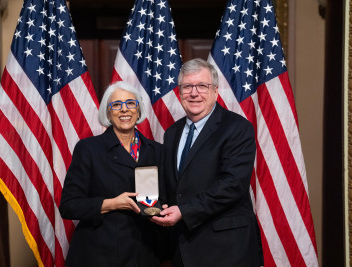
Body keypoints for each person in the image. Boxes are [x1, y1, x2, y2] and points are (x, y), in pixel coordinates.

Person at [151, 58, 264, 267]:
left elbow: (232, 185)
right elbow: (173, 187)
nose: (194, 93)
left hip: (227, 250)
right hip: (183, 249)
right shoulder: (172, 133)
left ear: (215, 91)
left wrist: (184, 211)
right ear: (179, 92)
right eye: (187, 87)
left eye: (202, 86)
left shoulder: (237, 128)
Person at [59, 81, 163, 267]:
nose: (125, 110)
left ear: (138, 110)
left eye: (131, 103)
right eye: (116, 105)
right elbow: (69, 206)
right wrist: (113, 203)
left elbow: (164, 199)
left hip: (145, 254)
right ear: (107, 113)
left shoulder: (158, 151)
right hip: (99, 254)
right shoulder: (89, 149)